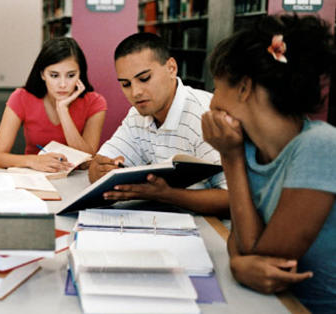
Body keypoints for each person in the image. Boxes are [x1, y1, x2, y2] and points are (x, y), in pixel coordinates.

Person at [203, 14, 335, 312]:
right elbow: (242, 249)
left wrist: (230, 158)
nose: (211, 102)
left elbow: (262, 260)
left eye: (216, 87)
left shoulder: (320, 146)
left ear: (244, 87)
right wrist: (240, 264)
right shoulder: (247, 146)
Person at [88, 32, 229, 215]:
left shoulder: (204, 115)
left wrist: (166, 195)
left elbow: (232, 199)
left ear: (171, 68)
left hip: (213, 228)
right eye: (125, 84)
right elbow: (98, 164)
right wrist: (99, 171)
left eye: (144, 78)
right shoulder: (137, 115)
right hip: (165, 220)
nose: (136, 92)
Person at [0, 37, 107, 172]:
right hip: (34, 173)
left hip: (75, 177)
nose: (62, 84)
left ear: (80, 74)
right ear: (43, 74)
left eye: (70, 75)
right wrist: (34, 161)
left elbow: (87, 161)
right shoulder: (21, 98)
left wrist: (63, 111)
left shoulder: (95, 102)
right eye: (54, 75)